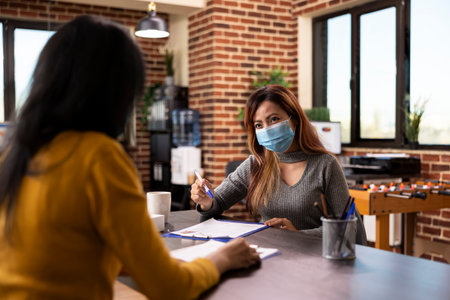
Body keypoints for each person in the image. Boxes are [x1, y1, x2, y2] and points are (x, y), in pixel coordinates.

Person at [0, 15, 260, 299]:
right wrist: (222, 259)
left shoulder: (15, 154)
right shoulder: (98, 156)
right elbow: (170, 288)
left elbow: (72, 250)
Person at [191, 85, 366, 244]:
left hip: (314, 259)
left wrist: (298, 234)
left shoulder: (325, 165)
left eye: (274, 119)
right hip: (268, 254)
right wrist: (206, 202)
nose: (266, 129)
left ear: (294, 119)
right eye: (259, 124)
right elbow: (218, 202)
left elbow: (348, 228)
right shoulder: (256, 163)